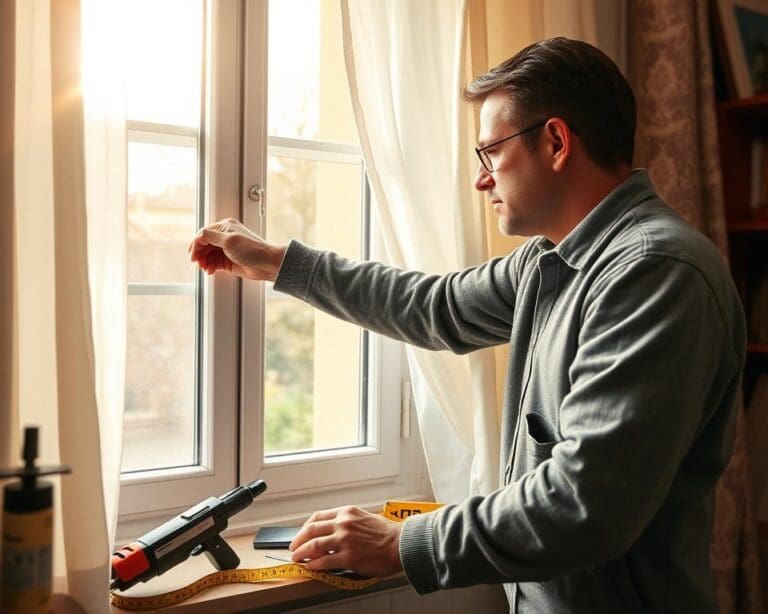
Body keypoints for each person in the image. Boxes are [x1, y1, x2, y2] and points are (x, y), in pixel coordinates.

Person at [189, 38, 745, 613]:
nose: (482, 180)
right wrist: (280, 263)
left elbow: (584, 505)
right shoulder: (551, 260)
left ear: (556, 142)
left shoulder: (654, 273)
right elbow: (435, 308)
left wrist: (403, 542)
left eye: (491, 154)